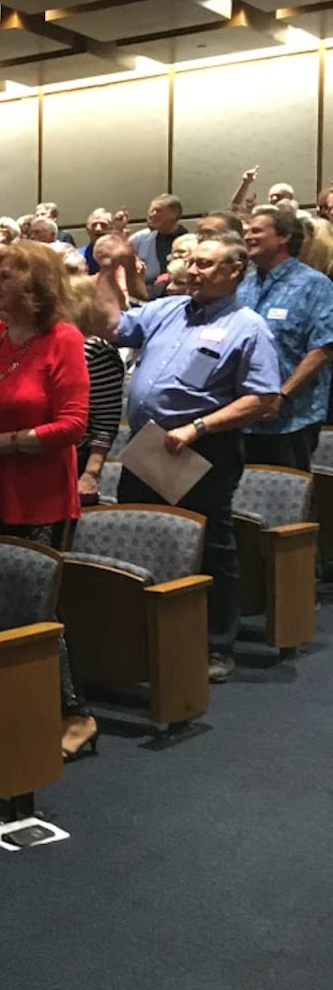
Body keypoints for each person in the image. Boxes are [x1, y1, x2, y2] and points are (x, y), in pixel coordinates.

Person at [93, 235, 281, 683]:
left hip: (202, 449)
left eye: (206, 264)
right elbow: (109, 325)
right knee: (138, 534)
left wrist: (199, 427)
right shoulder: (166, 309)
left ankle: (217, 644)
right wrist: (108, 270)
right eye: (191, 262)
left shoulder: (247, 325)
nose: (192, 271)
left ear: (235, 272)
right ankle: (145, 636)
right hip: (150, 444)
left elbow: (264, 398)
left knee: (209, 544)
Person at [0, 242, 91, 758]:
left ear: (37, 288)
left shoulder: (63, 340)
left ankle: (75, 711)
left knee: (35, 604)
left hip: (37, 496)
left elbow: (73, 425)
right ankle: (10, 703)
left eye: (7, 277)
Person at [237, 207, 333, 471]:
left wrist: (282, 395)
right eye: (246, 231)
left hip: (291, 417)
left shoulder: (315, 285)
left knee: (282, 499)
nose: (247, 236)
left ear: (284, 237)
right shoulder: (243, 285)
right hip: (242, 414)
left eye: (256, 230)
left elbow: (322, 348)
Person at [67, 276, 126, 510]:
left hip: (76, 457)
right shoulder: (49, 342)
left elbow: (105, 416)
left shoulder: (96, 350)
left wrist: (92, 471)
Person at [130, 194, 188, 284]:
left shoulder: (189, 241)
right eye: (151, 210)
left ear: (174, 214)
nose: (152, 215)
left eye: (158, 211)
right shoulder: (138, 239)